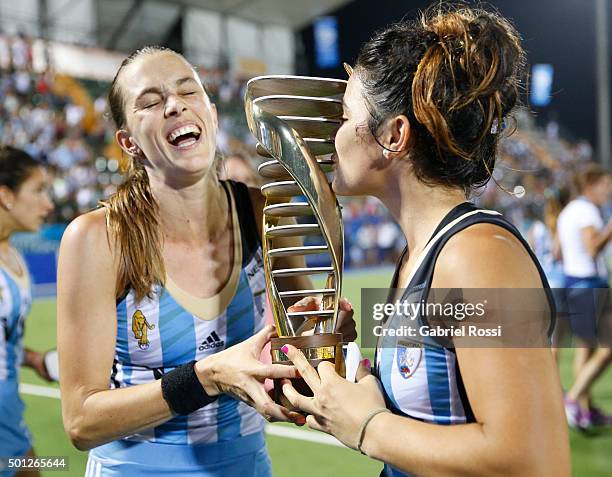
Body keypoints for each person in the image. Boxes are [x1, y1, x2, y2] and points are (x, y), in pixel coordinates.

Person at [280, 6, 570, 476]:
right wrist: (347, 368)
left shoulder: (478, 257)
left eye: (343, 116)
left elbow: (536, 463)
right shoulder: (419, 253)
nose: (329, 137)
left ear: (394, 135)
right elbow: (432, 409)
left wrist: (366, 426)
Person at [57, 46, 355, 476]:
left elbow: (300, 364)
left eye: (187, 92)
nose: (175, 105)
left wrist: (326, 344)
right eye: (151, 101)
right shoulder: (99, 238)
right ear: (128, 142)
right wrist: (207, 377)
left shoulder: (261, 213)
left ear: (212, 115)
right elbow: (82, 422)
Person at [0, 145, 54, 476]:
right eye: (38, 191)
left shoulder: (14, 256)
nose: (48, 204)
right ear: (6, 195)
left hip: (10, 420)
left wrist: (32, 358)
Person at [557, 164, 611, 428]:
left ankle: (585, 411)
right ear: (591, 185)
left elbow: (558, 252)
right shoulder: (588, 210)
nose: (609, 191)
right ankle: (574, 399)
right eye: (605, 186)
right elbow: (592, 248)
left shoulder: (569, 211)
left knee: (585, 349)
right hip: (589, 283)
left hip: (574, 282)